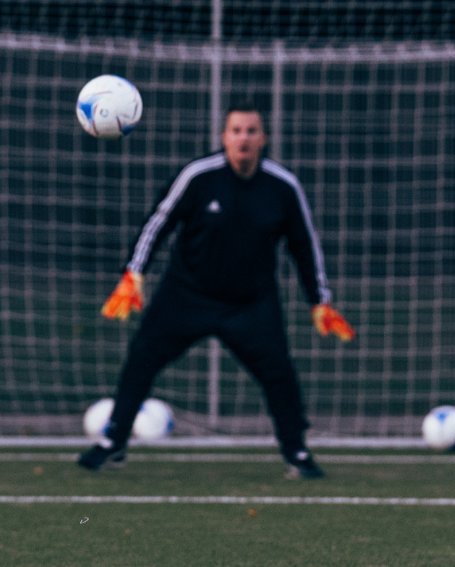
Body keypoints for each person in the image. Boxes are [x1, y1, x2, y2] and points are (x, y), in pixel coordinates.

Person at [79, 101, 355, 479]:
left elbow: (305, 244)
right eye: (236, 130)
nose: (244, 138)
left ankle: (297, 452)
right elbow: (158, 222)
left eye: (251, 131)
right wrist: (133, 274)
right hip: (186, 295)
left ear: (263, 139)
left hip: (251, 303)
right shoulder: (199, 176)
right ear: (224, 137)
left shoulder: (283, 186)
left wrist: (320, 301)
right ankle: (114, 443)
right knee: (141, 359)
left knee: (280, 375)